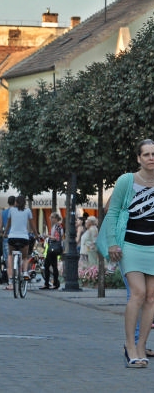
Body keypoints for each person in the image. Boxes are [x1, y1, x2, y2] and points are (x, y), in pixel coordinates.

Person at [97, 138, 154, 367]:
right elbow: (112, 213)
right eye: (147, 154)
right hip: (130, 245)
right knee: (138, 293)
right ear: (139, 158)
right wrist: (112, 243)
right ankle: (130, 346)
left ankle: (141, 346)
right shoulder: (127, 181)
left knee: (151, 298)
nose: (151, 158)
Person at [2, 195, 38, 291]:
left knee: (10, 255)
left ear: (15, 202)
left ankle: (10, 279)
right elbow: (32, 224)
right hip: (24, 238)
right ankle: (25, 272)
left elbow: (8, 224)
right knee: (25, 257)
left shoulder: (11, 211)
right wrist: (36, 235)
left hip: (12, 237)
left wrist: (5, 234)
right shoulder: (28, 211)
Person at [41, 212, 64, 290]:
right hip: (52, 248)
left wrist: (47, 236)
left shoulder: (57, 226)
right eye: (50, 217)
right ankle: (50, 283)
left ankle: (53, 283)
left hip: (53, 248)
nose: (50, 219)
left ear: (56, 218)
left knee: (50, 266)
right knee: (49, 266)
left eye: (52, 217)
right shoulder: (55, 226)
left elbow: (57, 238)